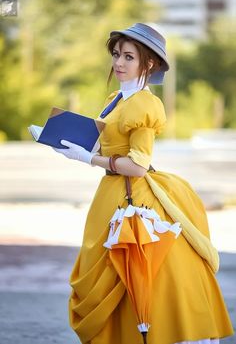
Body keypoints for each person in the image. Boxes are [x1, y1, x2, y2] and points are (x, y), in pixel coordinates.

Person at [53, 23, 234, 344]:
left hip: (134, 198)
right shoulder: (117, 99)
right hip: (111, 193)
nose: (118, 63)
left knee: (137, 270)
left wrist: (86, 158)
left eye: (128, 57)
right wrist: (64, 139)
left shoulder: (143, 104)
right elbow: (110, 143)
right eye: (116, 55)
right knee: (120, 270)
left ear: (148, 64)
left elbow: (137, 165)